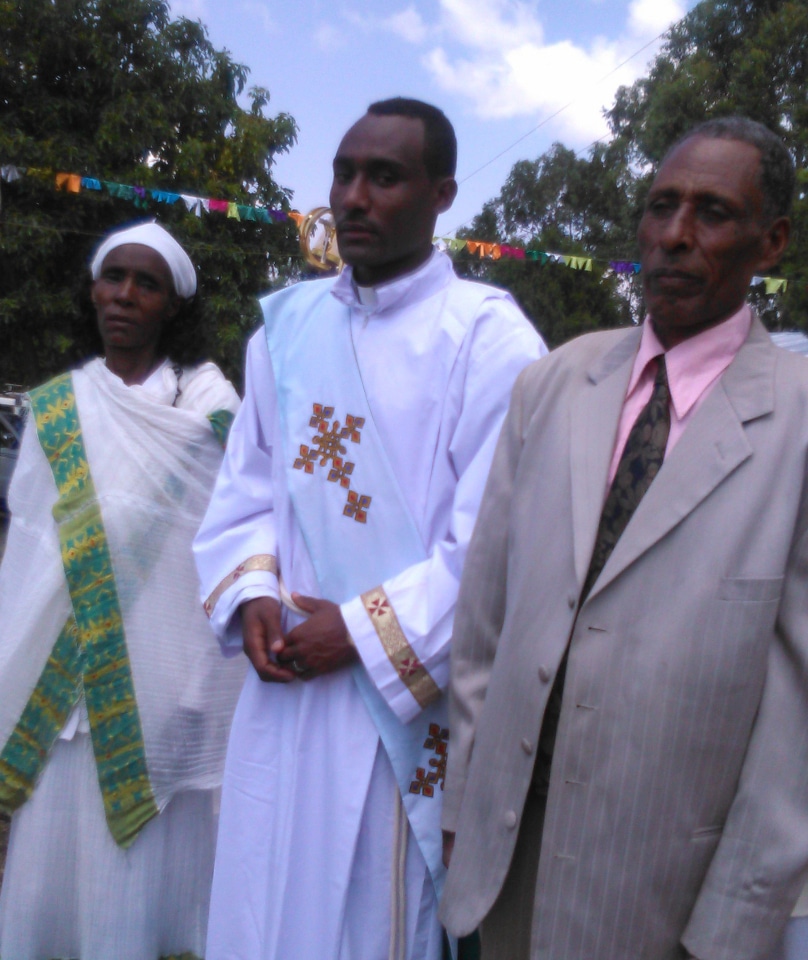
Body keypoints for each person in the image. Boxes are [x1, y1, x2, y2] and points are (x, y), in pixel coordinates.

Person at [439, 117, 808, 960]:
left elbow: (799, 717)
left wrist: (731, 924)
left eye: (712, 212)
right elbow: (484, 625)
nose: (676, 236)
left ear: (772, 241)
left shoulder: (798, 416)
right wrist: (463, 804)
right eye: (662, 207)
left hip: (670, 891)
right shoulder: (554, 382)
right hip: (506, 852)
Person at [193, 97, 545, 960]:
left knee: (368, 919)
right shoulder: (287, 329)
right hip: (281, 692)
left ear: (442, 194)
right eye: (343, 173)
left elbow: (500, 546)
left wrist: (353, 632)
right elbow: (244, 490)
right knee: (259, 893)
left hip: (395, 704)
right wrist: (255, 600)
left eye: (383, 177)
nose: (352, 197)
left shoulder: (489, 339)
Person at [0, 221, 245, 960]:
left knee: (142, 904)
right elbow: (28, 557)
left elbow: (228, 551)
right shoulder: (56, 409)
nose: (125, 295)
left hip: (161, 703)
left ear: (173, 303)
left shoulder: (209, 414)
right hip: (58, 709)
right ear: (93, 289)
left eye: (147, 283)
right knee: (49, 897)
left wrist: (196, 691)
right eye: (114, 277)